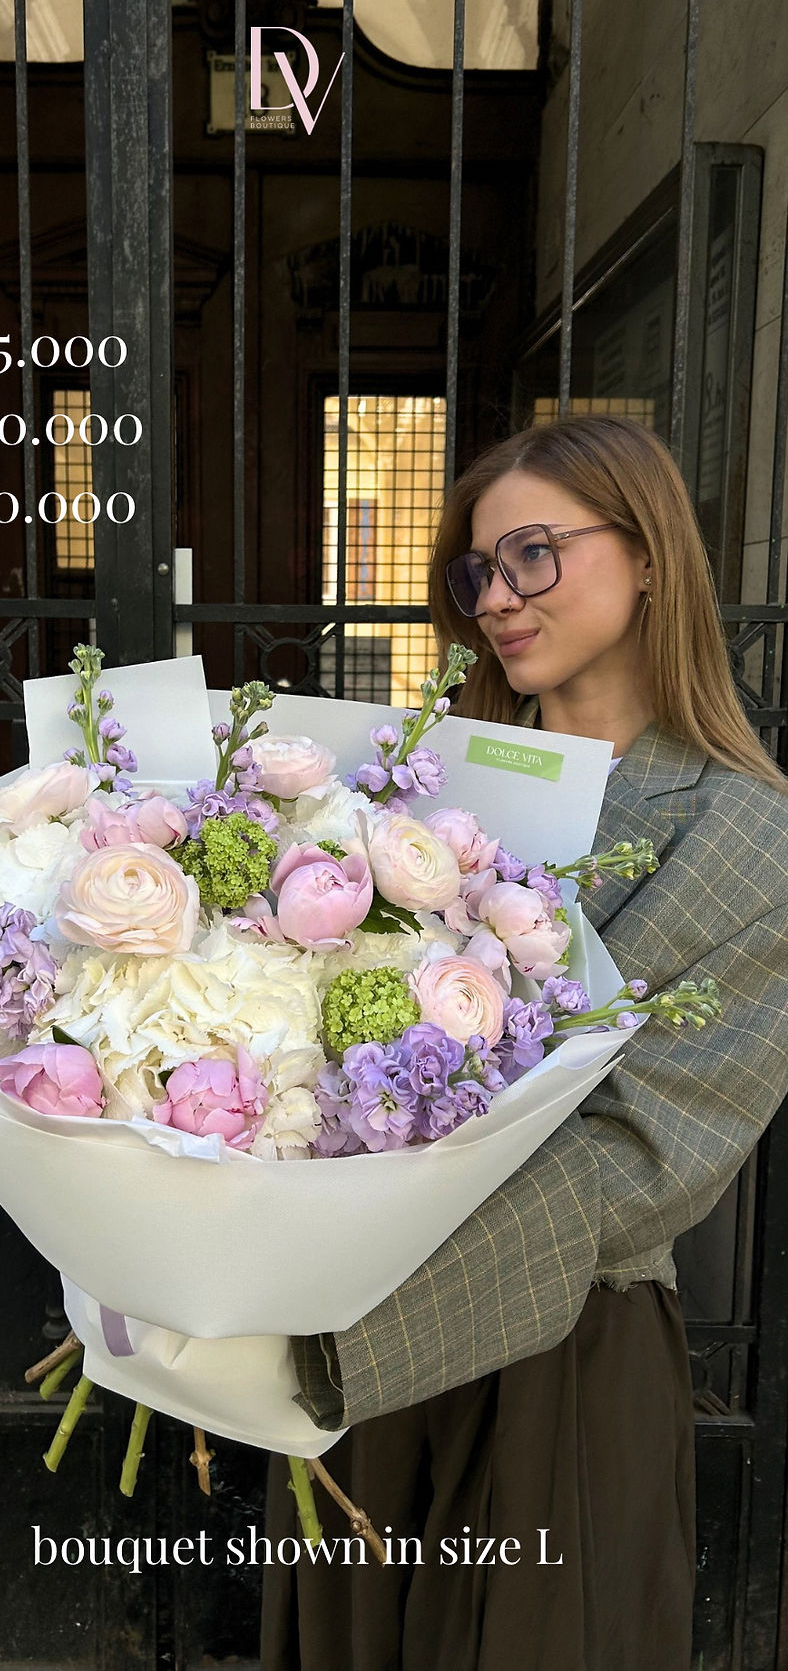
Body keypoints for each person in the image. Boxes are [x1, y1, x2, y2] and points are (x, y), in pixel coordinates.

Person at [260, 414, 788, 1671]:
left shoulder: (744, 834)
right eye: (477, 571)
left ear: (647, 554)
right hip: (347, 1321)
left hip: (554, 1340)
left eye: (533, 554)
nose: (495, 597)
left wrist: (329, 1326)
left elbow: (646, 1154)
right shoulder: (416, 794)